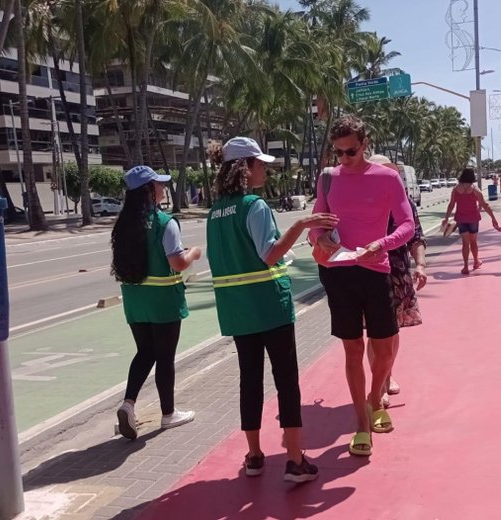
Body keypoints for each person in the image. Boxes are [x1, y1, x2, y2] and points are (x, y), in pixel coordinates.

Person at [206, 137, 337, 482]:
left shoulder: (216, 211)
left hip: (237, 311)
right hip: (269, 307)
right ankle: (295, 460)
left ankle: (253, 455)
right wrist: (301, 225)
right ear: (246, 168)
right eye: (261, 164)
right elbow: (270, 254)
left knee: (250, 381)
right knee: (285, 381)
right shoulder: (255, 206)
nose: (265, 169)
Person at [309, 115, 415, 457]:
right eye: (337, 152)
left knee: (383, 348)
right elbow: (315, 223)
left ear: (365, 144)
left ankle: (374, 399)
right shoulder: (327, 178)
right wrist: (320, 237)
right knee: (352, 349)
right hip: (338, 273)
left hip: (374, 268)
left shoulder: (387, 178)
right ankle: (361, 422)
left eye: (350, 152)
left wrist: (381, 245)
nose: (343, 159)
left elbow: (407, 225)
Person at [112, 166, 202, 441]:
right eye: (159, 185)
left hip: (135, 303)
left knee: (144, 353)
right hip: (163, 302)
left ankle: (128, 404)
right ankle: (168, 413)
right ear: (149, 191)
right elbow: (177, 262)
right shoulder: (165, 222)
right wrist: (194, 254)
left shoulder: (123, 224)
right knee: (164, 358)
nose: (163, 189)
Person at [365, 155, 428, 409]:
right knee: (375, 333)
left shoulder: (405, 202)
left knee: (393, 332)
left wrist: (421, 265)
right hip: (369, 274)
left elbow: (416, 237)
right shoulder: (362, 202)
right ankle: (378, 386)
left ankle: (387, 375)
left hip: (399, 275)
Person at [443, 168, 499, 275]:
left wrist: (446, 218)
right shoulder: (475, 190)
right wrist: (493, 218)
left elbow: (451, 205)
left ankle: (465, 267)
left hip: (461, 219)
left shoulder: (456, 189)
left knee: (465, 243)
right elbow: (484, 205)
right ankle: (476, 262)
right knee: (473, 241)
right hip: (473, 219)